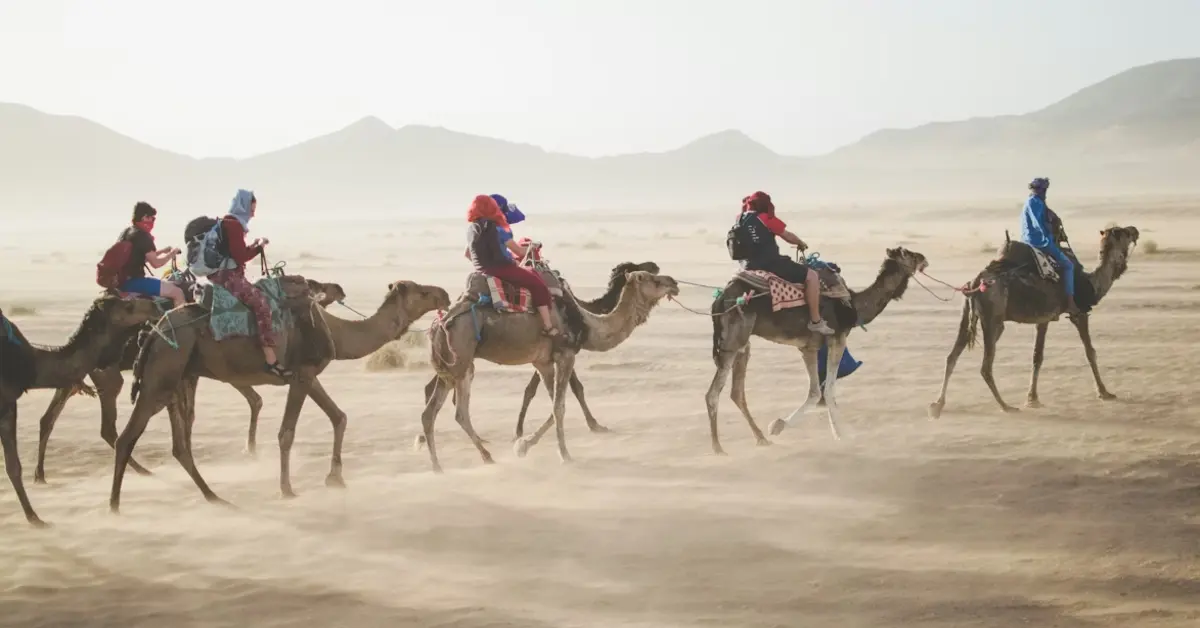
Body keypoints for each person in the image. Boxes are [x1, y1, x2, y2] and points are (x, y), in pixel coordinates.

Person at [207, 189, 292, 378]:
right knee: (262, 304)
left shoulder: (228, 222)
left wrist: (254, 245)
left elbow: (236, 252)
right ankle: (271, 360)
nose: (253, 213)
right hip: (229, 276)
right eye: (252, 209)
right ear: (244, 207)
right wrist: (259, 247)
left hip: (224, 273)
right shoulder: (234, 225)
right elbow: (241, 257)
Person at [735, 191, 834, 335]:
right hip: (769, 263)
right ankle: (816, 321)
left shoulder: (739, 218)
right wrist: (800, 243)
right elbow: (786, 235)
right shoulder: (765, 218)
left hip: (747, 265)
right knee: (812, 276)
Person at [465, 194, 560, 338]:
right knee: (537, 283)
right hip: (502, 269)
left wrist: (483, 265)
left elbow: (468, 254)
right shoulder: (498, 230)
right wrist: (533, 246)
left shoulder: (472, 229)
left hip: (482, 270)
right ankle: (548, 325)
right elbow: (519, 251)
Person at [1020, 177, 1077, 313]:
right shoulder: (1035, 202)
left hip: (1031, 240)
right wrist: (1050, 235)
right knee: (1069, 266)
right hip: (1039, 242)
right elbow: (1038, 224)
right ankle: (1070, 302)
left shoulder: (1034, 202)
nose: (1044, 192)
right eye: (1043, 189)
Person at [115, 202, 187, 308]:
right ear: (145, 217)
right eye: (152, 219)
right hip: (134, 282)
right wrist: (172, 253)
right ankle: (181, 322)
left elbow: (139, 258)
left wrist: (162, 251)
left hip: (121, 281)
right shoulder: (143, 236)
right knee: (178, 292)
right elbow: (156, 264)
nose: (153, 223)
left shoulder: (127, 233)